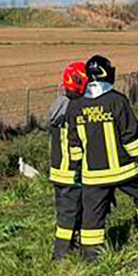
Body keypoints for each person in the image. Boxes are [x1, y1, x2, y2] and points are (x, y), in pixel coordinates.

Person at [68, 55, 138, 261]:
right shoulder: (117, 101)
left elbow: (74, 143)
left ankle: (91, 257)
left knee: (92, 216)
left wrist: (76, 169)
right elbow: (130, 137)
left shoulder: (75, 107)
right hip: (125, 171)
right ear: (107, 74)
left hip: (93, 176)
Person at [50, 61, 87, 260]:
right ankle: (61, 254)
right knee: (68, 215)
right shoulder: (74, 108)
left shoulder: (59, 105)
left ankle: (69, 247)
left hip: (59, 170)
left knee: (69, 212)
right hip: (70, 171)